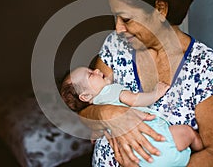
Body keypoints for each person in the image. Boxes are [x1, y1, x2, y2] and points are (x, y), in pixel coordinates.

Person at [78, 0, 213, 166]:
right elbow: (83, 112)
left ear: (160, 9)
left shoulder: (203, 65)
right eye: (116, 17)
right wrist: (106, 113)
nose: (118, 28)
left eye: (126, 18)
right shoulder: (115, 46)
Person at [60, 66, 203, 167]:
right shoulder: (110, 91)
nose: (97, 70)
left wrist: (95, 133)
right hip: (161, 143)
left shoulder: (97, 109)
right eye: (91, 74)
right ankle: (201, 149)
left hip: (141, 160)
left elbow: (99, 128)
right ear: (85, 96)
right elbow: (135, 99)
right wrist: (156, 93)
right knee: (188, 132)